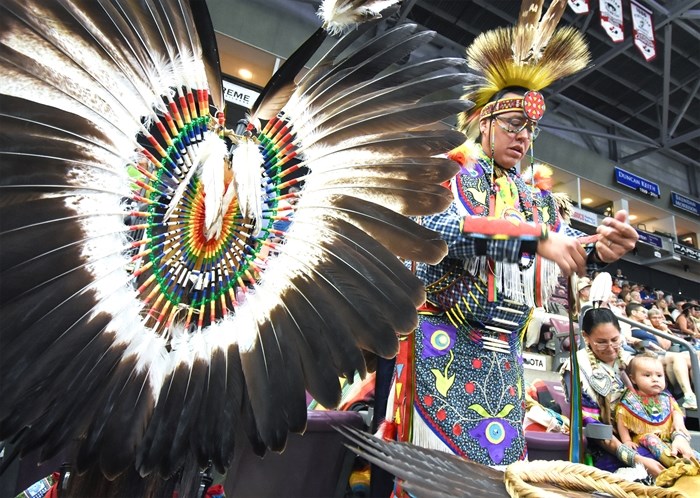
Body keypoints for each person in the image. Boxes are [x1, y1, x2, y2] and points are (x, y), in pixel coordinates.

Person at [382, 1, 639, 472]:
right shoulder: (451, 174)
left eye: (530, 129)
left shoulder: (536, 199)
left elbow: (561, 253)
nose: (523, 137)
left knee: (499, 477)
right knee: (439, 474)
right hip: (443, 339)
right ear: (486, 123)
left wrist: (599, 250)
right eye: (513, 124)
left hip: (503, 357)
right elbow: (438, 229)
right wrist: (529, 238)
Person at [560, 308, 665, 477]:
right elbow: (594, 428)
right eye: (601, 342)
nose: (610, 348)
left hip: (647, 437)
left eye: (615, 339)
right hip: (607, 450)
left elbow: (664, 401)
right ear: (586, 336)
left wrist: (679, 436)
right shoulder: (577, 369)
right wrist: (636, 459)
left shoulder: (632, 361)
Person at [615, 353, 698, 468]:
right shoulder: (630, 400)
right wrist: (627, 440)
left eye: (659, 376)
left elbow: (676, 410)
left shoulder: (666, 398)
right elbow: (622, 421)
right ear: (633, 379)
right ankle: (675, 463)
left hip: (667, 437)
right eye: (647, 375)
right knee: (651, 439)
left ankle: (694, 459)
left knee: (679, 435)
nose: (655, 379)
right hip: (644, 438)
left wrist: (678, 421)